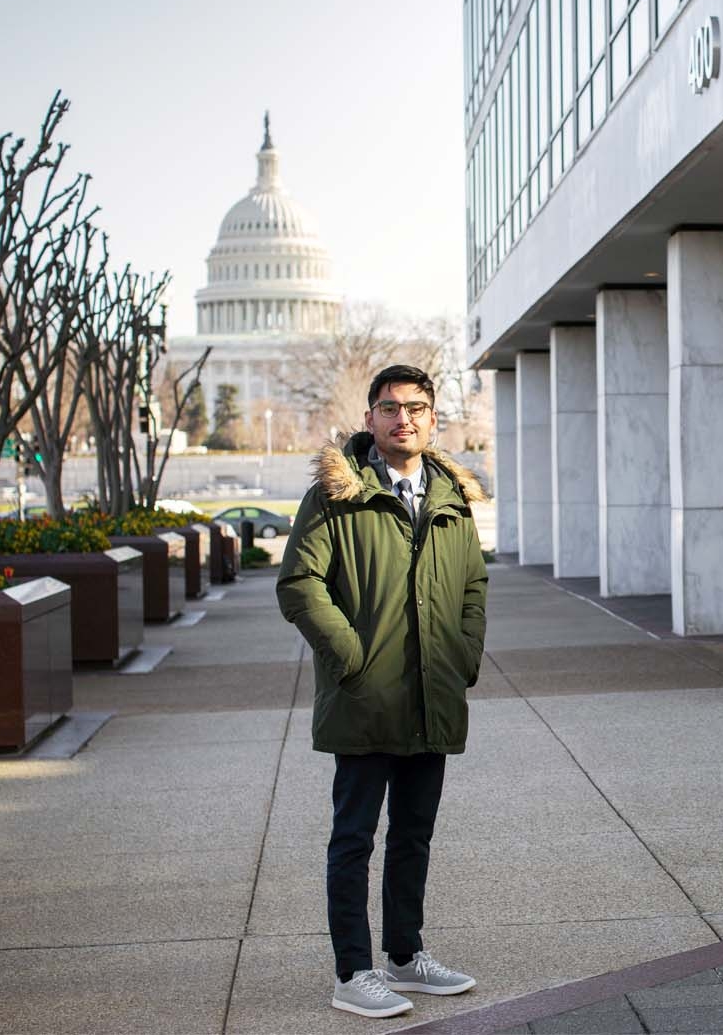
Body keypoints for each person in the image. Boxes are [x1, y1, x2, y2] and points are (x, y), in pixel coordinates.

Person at [276, 364, 489, 1018]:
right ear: (370, 418)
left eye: (417, 407)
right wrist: (352, 656)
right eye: (391, 407)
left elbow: (473, 588)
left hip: (432, 695)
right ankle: (353, 971)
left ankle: (405, 954)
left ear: (433, 418)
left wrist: (461, 659)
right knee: (355, 838)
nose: (405, 419)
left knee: (414, 835)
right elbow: (299, 584)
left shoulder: (450, 497)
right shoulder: (337, 495)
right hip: (366, 700)